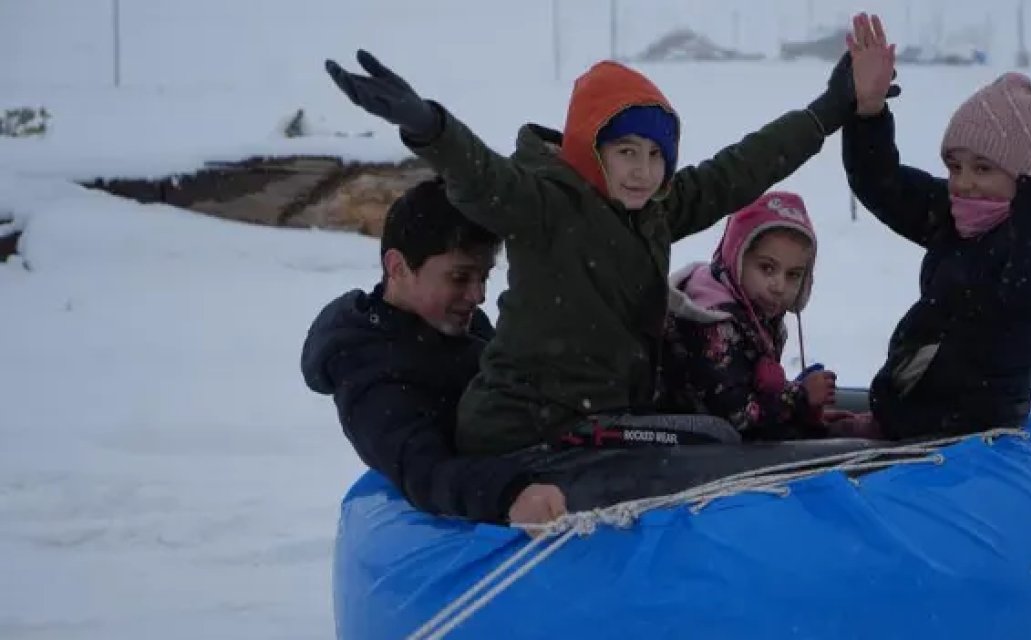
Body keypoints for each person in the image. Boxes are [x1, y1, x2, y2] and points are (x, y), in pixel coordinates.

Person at [324, 26, 900, 455]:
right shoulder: (544, 205)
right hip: (533, 427)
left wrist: (831, 110)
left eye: (655, 155)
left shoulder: (655, 210)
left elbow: (740, 168)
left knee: (714, 431)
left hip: (605, 414)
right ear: (588, 149)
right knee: (716, 440)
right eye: (626, 151)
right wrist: (430, 128)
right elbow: (481, 178)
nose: (642, 171)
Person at [840, 14, 1031, 440]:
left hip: (972, 437)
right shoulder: (961, 214)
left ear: (1024, 173)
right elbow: (880, 184)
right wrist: (869, 111)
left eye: (983, 167)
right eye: (954, 165)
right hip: (914, 418)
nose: (964, 181)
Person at [300, 178, 567, 525]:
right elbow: (425, 470)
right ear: (398, 269)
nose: (478, 295)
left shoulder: (459, 324)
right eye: (459, 277)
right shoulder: (369, 370)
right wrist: (509, 493)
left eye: (484, 277)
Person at [659, 191, 840, 441]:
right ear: (737, 257)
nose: (779, 285)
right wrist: (799, 397)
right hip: (688, 449)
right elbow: (738, 417)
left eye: (793, 275)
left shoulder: (755, 307)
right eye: (767, 268)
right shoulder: (713, 323)